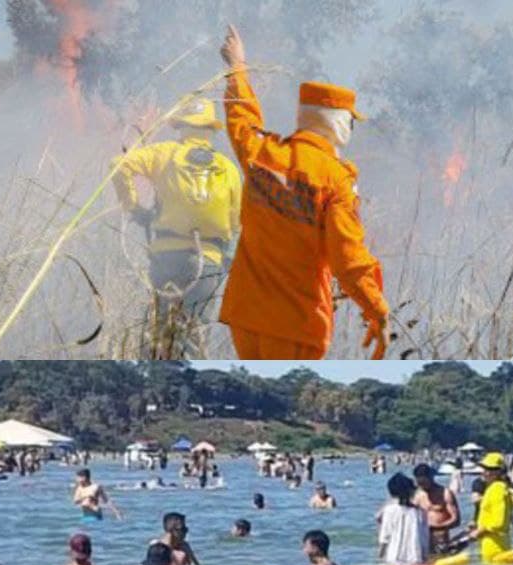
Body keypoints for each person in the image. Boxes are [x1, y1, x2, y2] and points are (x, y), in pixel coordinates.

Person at [217, 25, 390, 360]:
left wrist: (237, 67)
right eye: (350, 122)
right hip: (297, 324)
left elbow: (241, 118)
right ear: (339, 124)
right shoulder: (336, 181)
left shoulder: (263, 153)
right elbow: (348, 260)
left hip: (246, 318)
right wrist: (377, 310)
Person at [112, 96, 241, 352]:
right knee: (191, 339)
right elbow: (236, 223)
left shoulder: (166, 153)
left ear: (181, 126)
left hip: (166, 258)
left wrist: (134, 208)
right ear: (210, 130)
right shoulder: (228, 168)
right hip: (209, 263)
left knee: (156, 336)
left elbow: (119, 165)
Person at [376, 473, 428, 565]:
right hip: (416, 559)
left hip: (393, 560)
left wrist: (379, 559)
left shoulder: (389, 510)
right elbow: (424, 539)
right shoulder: (420, 512)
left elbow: (384, 538)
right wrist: (425, 559)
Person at [471, 453, 513, 561]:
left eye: (490, 469)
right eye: (485, 469)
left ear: (498, 472)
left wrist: (479, 531)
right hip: (492, 544)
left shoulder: (498, 489)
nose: (486, 472)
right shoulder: (493, 488)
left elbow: (498, 522)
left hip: (495, 547)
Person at [412, 463, 460, 556]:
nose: (422, 485)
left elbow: (456, 520)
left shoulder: (445, 493)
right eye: (420, 483)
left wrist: (437, 527)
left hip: (440, 541)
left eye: (424, 482)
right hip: (421, 542)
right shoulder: (416, 495)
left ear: (431, 477)